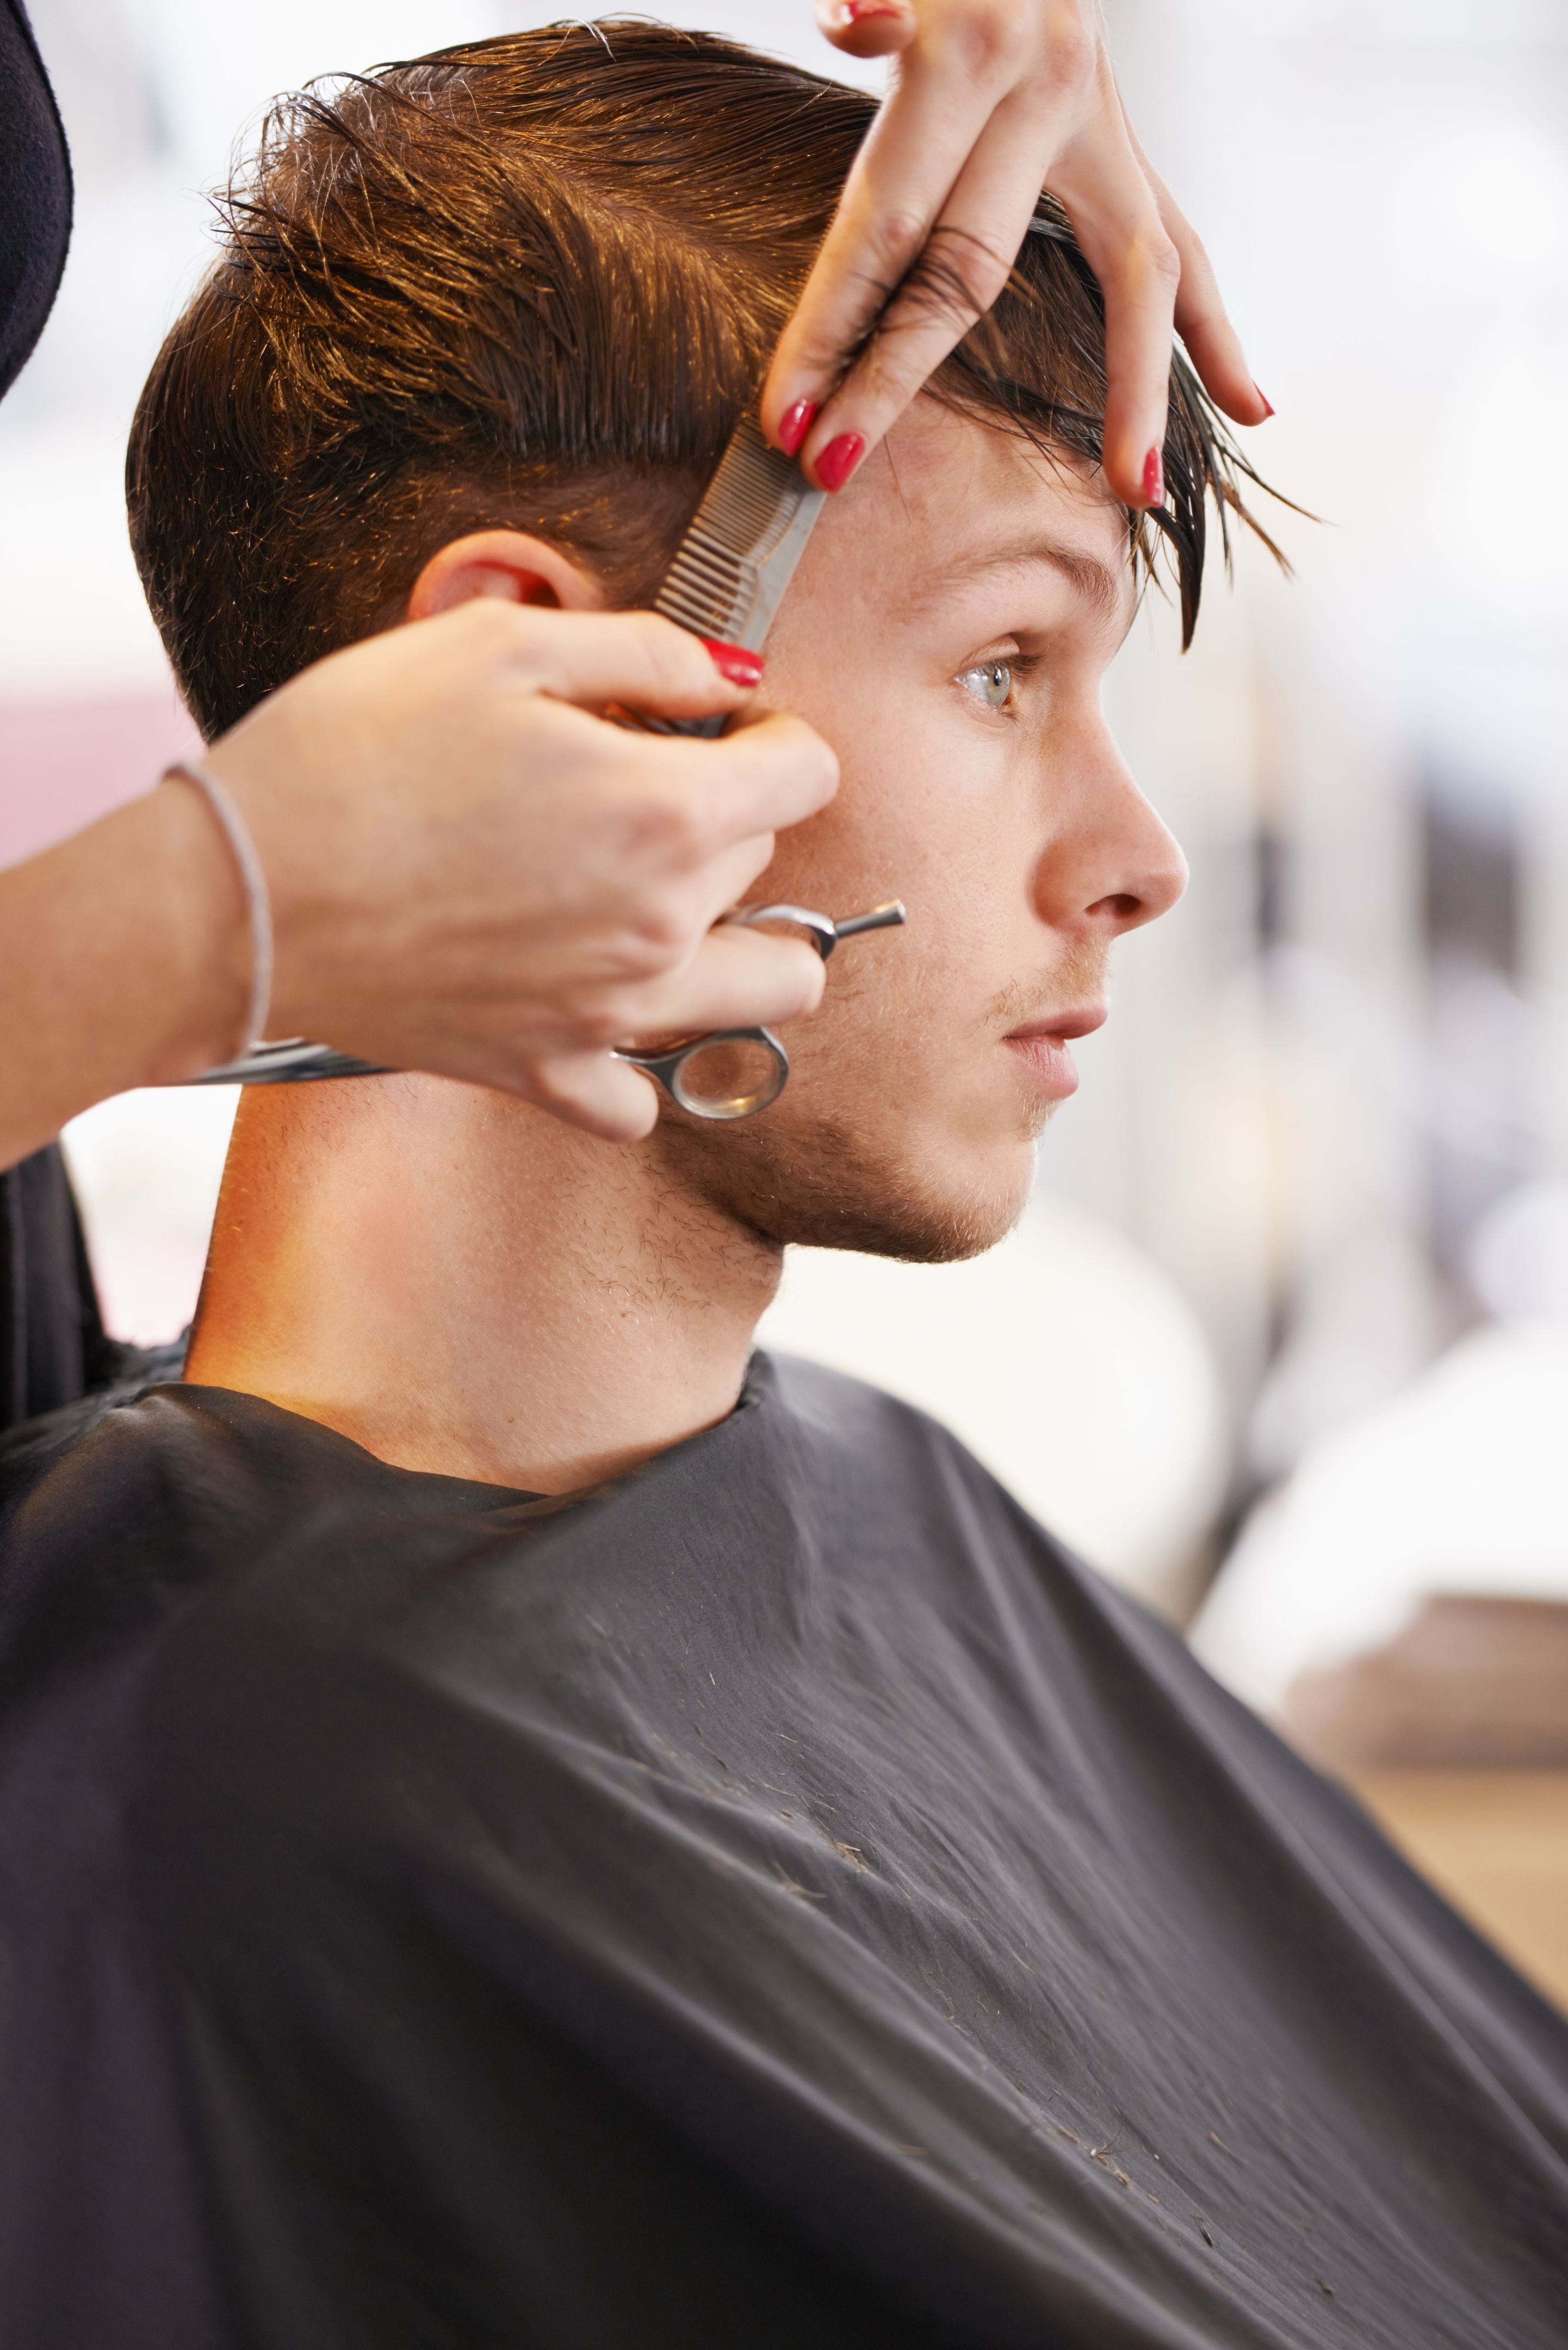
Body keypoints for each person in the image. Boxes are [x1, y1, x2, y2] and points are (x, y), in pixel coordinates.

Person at [12, 25, 1561, 2350]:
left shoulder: (861, 1514)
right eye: (1005, 665)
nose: (1140, 863)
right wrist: (197, 916)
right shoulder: (223, 1821)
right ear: (560, 705)